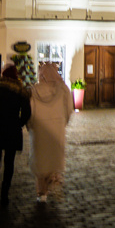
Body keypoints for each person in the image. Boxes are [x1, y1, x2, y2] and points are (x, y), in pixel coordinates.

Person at [0, 62, 31, 206]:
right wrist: (19, 123)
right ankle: (5, 193)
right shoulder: (20, 92)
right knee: (9, 163)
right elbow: (27, 112)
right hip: (13, 131)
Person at [28, 62, 73, 202]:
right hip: (56, 128)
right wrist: (63, 121)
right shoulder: (63, 89)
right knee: (54, 158)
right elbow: (69, 109)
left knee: (41, 159)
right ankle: (54, 180)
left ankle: (42, 192)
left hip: (40, 129)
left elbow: (30, 111)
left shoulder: (34, 90)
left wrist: (31, 125)